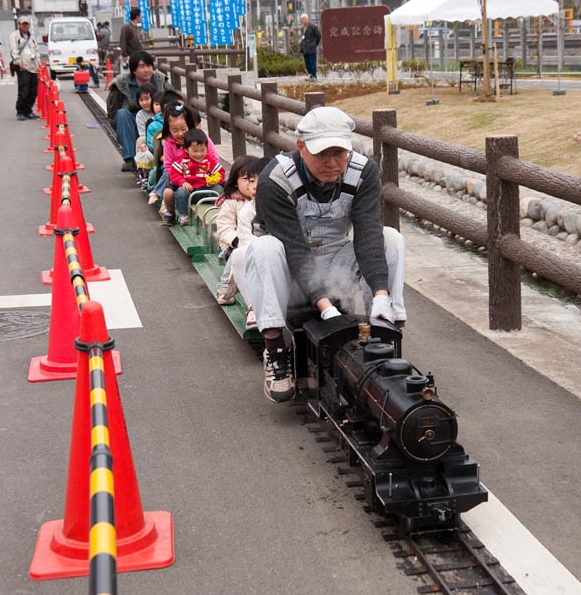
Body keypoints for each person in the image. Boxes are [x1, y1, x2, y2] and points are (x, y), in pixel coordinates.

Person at [245, 106, 406, 402]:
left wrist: (381, 294)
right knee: (264, 247)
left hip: (335, 263)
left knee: (390, 239)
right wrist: (326, 308)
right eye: (322, 155)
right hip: (287, 273)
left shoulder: (364, 172)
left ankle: (383, 335)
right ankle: (275, 350)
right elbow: (293, 249)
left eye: (339, 154)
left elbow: (368, 234)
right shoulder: (275, 179)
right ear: (301, 147)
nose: (332, 164)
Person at [214, 155, 266, 331]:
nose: (251, 186)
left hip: (254, 244)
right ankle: (225, 286)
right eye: (247, 180)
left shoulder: (264, 203)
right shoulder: (232, 203)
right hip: (233, 244)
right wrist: (235, 240)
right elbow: (223, 227)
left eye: (256, 180)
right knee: (238, 256)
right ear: (236, 182)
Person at [106, 50, 176, 172]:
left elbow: (173, 100)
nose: (146, 70)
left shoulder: (160, 81)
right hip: (131, 124)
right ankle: (130, 160)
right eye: (142, 67)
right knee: (122, 113)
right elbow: (112, 111)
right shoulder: (121, 84)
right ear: (133, 70)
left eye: (149, 66)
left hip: (157, 122)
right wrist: (120, 130)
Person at [161, 126, 224, 227]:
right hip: (190, 191)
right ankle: (183, 214)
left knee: (219, 189)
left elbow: (220, 172)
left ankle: (219, 210)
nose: (199, 154)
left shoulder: (209, 160)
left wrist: (215, 180)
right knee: (181, 192)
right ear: (186, 150)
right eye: (195, 151)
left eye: (202, 150)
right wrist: (182, 182)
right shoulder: (183, 161)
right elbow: (173, 173)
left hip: (206, 190)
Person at [9, 16, 41, 121]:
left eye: (27, 24)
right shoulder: (14, 36)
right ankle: (20, 111)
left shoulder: (31, 37)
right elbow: (13, 50)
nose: (25, 26)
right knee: (24, 90)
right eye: (23, 24)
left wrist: (38, 63)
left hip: (33, 67)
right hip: (23, 67)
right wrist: (18, 62)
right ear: (19, 25)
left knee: (33, 91)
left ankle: (28, 110)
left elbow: (36, 50)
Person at [298, 14, 321, 81]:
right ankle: (310, 74)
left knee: (312, 62)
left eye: (304, 19)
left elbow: (318, 35)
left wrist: (314, 43)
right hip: (305, 48)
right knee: (307, 62)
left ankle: (314, 76)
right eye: (302, 19)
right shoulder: (302, 28)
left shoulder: (312, 26)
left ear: (307, 19)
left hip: (311, 47)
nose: (303, 20)